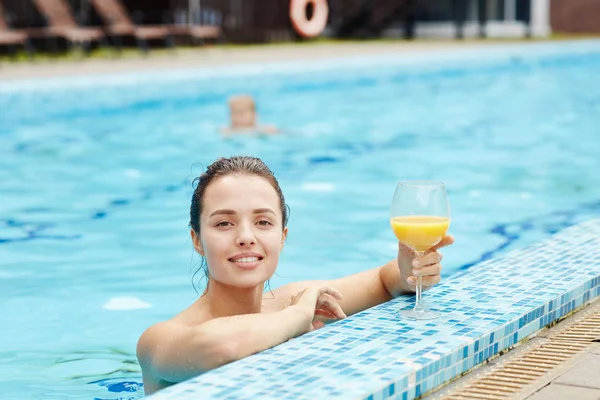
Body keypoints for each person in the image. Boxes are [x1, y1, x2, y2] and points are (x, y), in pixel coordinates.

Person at [136, 156, 454, 395]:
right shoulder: (160, 340)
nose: (246, 236)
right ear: (197, 240)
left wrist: (409, 270)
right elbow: (225, 348)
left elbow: (384, 282)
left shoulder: (288, 302)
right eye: (224, 223)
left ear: (283, 235)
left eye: (263, 222)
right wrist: (299, 315)